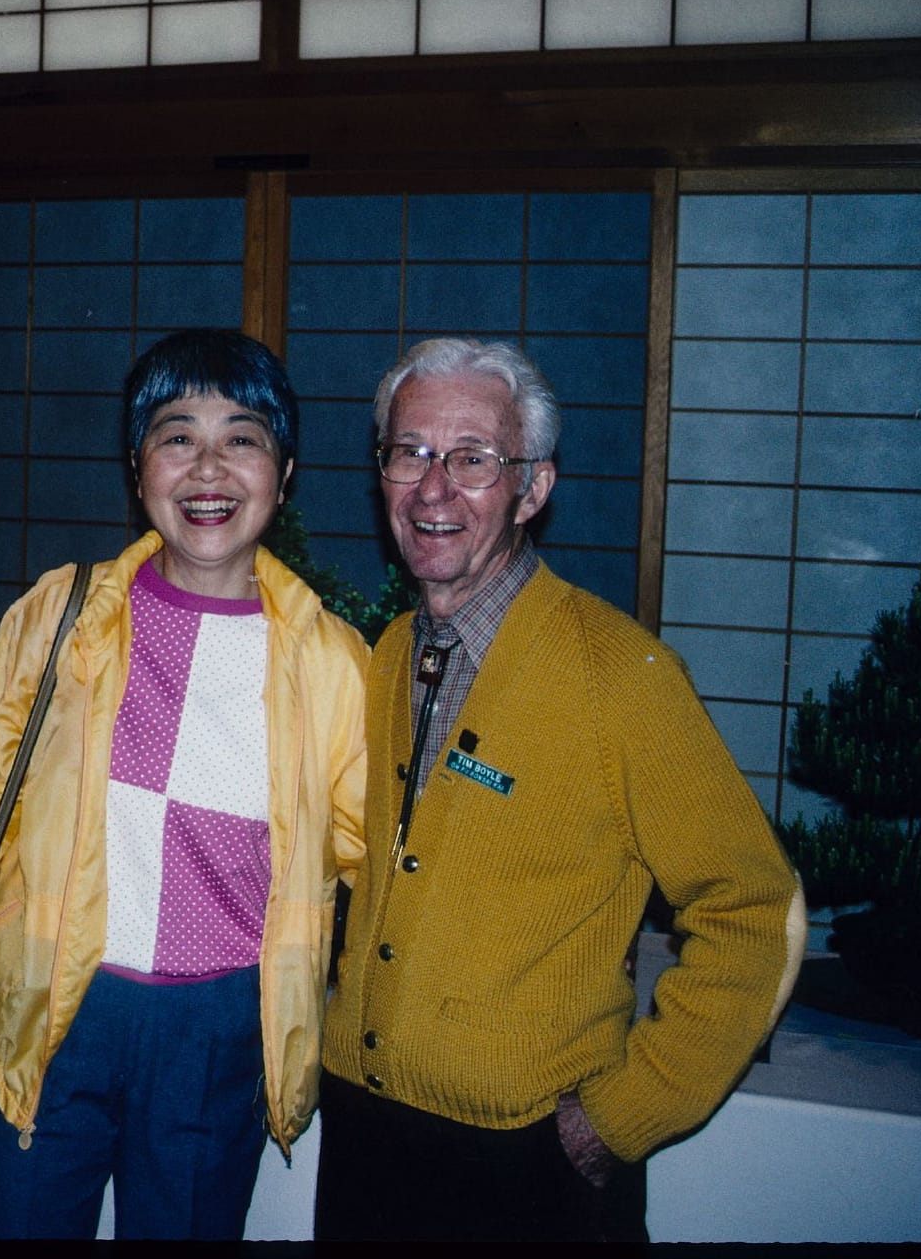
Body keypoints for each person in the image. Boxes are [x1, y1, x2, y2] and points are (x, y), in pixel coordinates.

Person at [0, 329, 368, 1240]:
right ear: (136, 463)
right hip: (51, 999)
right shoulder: (61, 613)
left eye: (242, 437)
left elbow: (362, 859)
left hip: (219, 1020)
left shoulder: (329, 658)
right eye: (176, 434)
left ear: (286, 469)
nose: (208, 466)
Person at [315, 338, 805, 1242]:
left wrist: (622, 1115)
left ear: (532, 488)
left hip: (530, 1163)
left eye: (472, 459)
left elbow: (755, 907)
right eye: (408, 451)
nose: (433, 488)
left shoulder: (620, 675)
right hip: (366, 1139)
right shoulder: (387, 654)